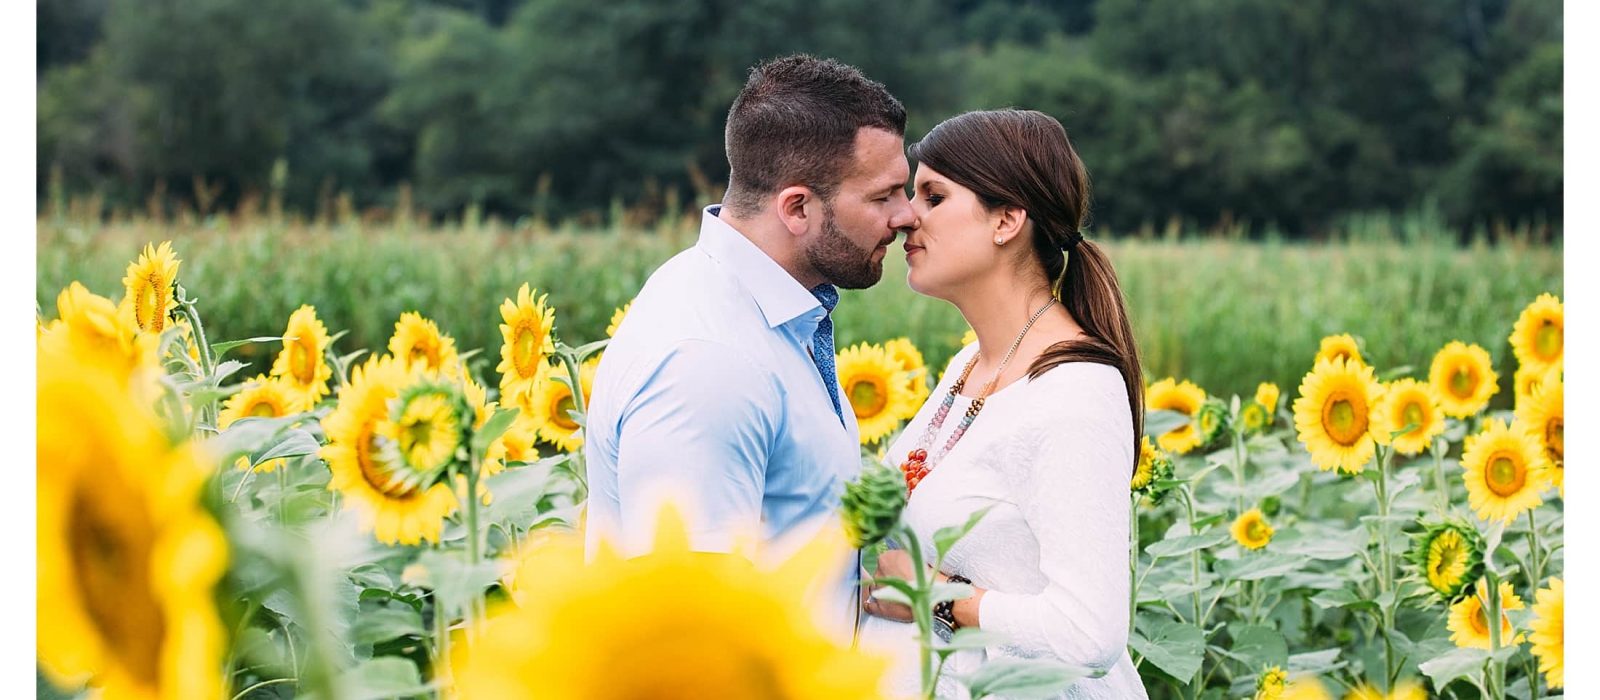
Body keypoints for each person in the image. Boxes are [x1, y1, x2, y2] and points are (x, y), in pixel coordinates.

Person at [583, 54, 915, 641]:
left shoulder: (762, 315)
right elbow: (689, 624)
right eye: (884, 196)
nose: (906, 216)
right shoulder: (709, 360)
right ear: (797, 208)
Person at [857, 109, 1150, 699]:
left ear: (1007, 220)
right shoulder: (972, 362)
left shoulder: (1074, 392)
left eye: (934, 196)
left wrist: (938, 597)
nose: (908, 216)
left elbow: (1088, 635)